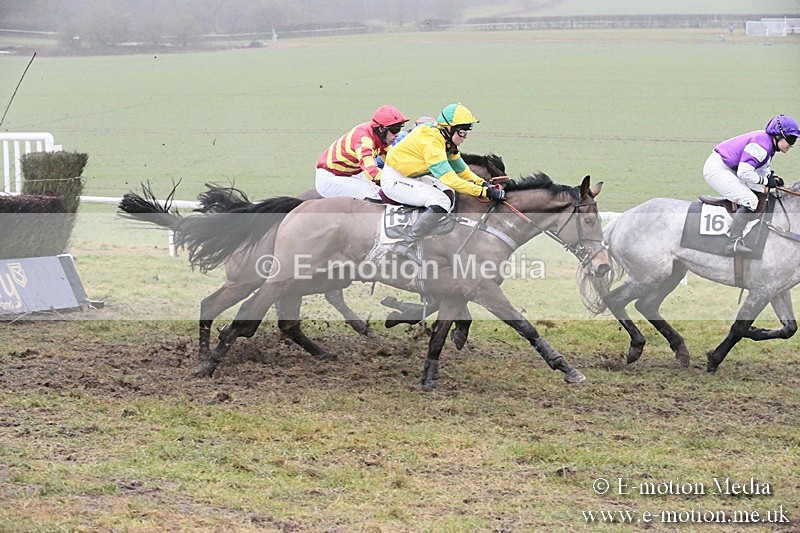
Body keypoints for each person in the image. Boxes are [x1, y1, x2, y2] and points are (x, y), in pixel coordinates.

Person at [381, 103, 506, 261]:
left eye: (466, 132)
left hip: (410, 176)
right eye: (462, 132)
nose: (465, 137)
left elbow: (462, 170)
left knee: (449, 194)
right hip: (395, 179)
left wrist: (482, 183)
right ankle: (405, 244)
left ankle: (428, 235)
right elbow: (451, 179)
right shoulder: (432, 143)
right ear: (450, 128)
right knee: (441, 201)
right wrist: (484, 192)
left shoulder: (445, 139)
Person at [703, 114, 797, 255]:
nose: (792, 145)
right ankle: (733, 242)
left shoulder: (768, 144)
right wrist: (766, 181)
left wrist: (771, 178)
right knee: (751, 200)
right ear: (778, 136)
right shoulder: (761, 145)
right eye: (790, 140)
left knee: (761, 192)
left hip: (731, 168)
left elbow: (761, 168)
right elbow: (744, 172)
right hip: (718, 169)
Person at [315, 105, 409, 200]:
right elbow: (372, 173)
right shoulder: (364, 140)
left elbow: (394, 162)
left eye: (399, 129)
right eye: (395, 130)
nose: (397, 134)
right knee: (375, 194)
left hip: (350, 174)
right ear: (381, 128)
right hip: (331, 178)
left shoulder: (381, 136)